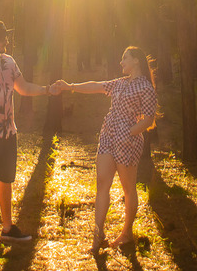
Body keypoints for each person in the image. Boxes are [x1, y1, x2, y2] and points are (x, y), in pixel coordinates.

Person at [53, 46, 158, 255]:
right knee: (102, 182)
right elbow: (96, 86)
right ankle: (97, 235)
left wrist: (130, 132)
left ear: (136, 60)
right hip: (108, 134)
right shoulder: (119, 83)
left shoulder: (146, 87)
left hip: (128, 139)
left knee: (128, 188)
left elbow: (148, 119)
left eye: (124, 58)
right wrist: (70, 86)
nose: (121, 62)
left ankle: (127, 233)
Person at [0, 19, 58, 247]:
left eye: (6, 37)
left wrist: (47, 90)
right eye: (0, 38)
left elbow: (23, 88)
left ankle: (7, 229)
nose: (5, 41)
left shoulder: (9, 62)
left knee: (6, 180)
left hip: (8, 133)